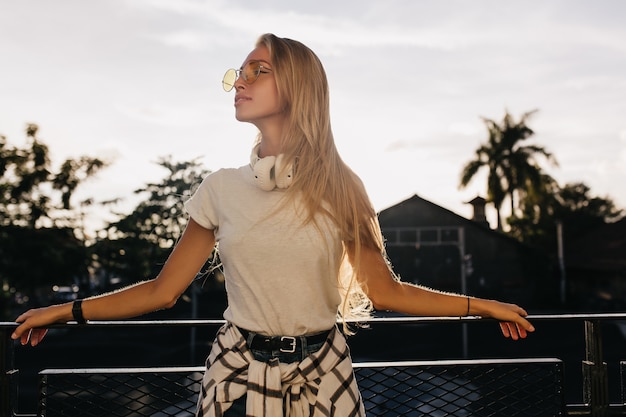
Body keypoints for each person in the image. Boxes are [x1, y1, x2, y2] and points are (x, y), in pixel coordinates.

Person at [12, 33, 535, 416]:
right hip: (237, 383)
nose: (240, 81)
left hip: (325, 379)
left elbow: (386, 290)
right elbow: (161, 291)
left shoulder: (343, 187)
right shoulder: (220, 188)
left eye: (258, 69)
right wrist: (61, 312)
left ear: (300, 86)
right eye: (238, 73)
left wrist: (481, 307)